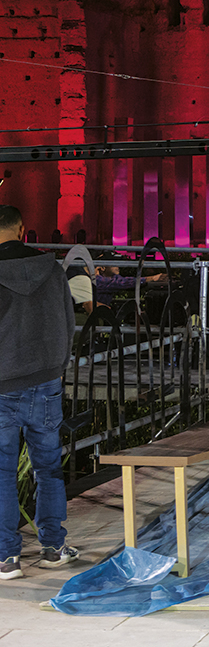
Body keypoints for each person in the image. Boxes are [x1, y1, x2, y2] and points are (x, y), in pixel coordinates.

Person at [0, 205, 80, 579]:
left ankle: (7, 558)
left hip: (2, 385)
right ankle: (53, 547)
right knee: (48, 468)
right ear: (22, 230)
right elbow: (68, 323)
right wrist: (58, 368)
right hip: (46, 381)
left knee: (2, 472)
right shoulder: (52, 269)